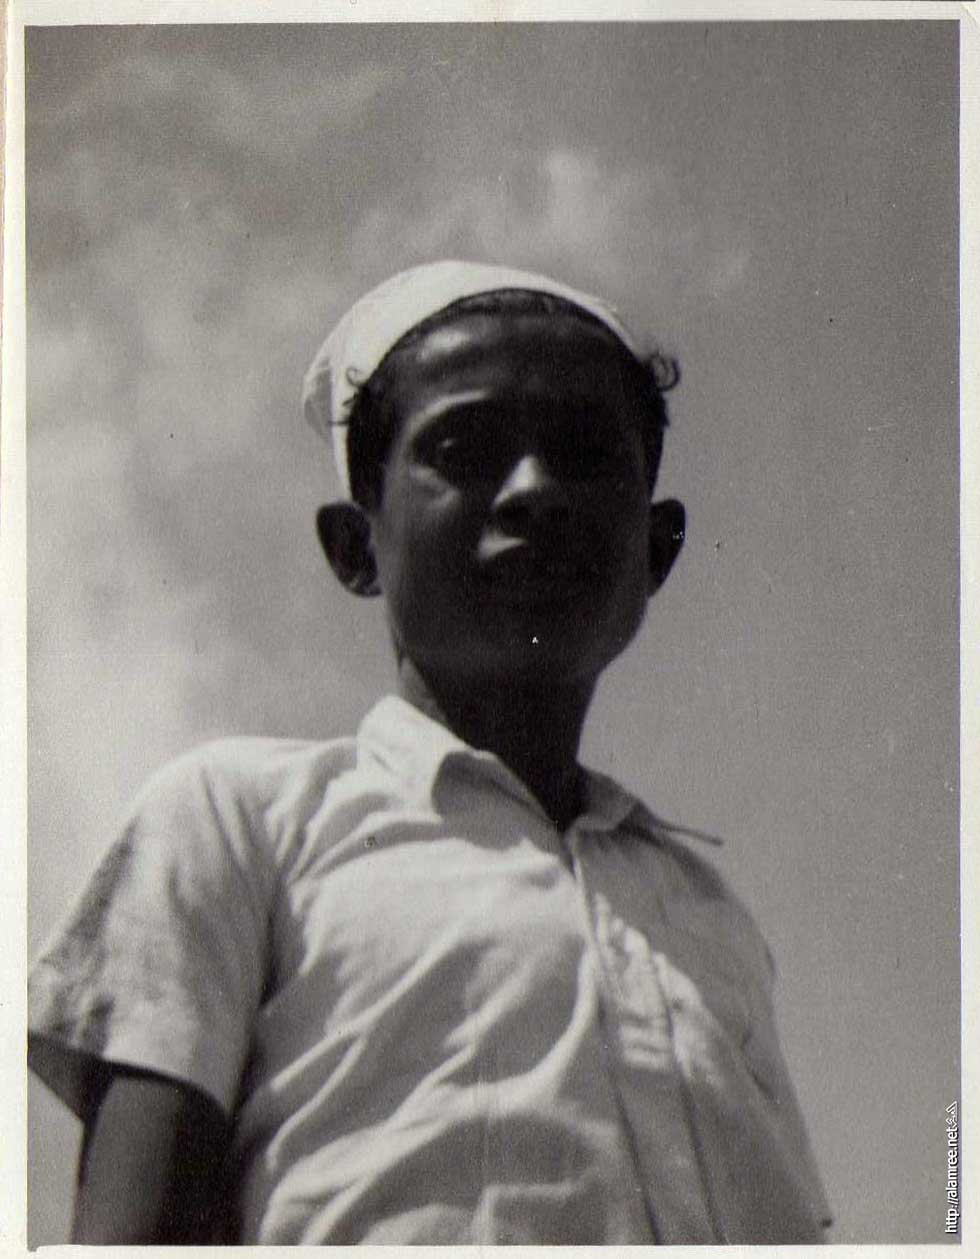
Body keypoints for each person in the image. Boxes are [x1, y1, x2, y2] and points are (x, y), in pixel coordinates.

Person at [28, 260, 831, 1244]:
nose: (534, 491)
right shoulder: (238, 820)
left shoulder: (707, 909)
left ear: (656, 549)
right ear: (354, 547)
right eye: (463, 450)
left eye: (587, 455)